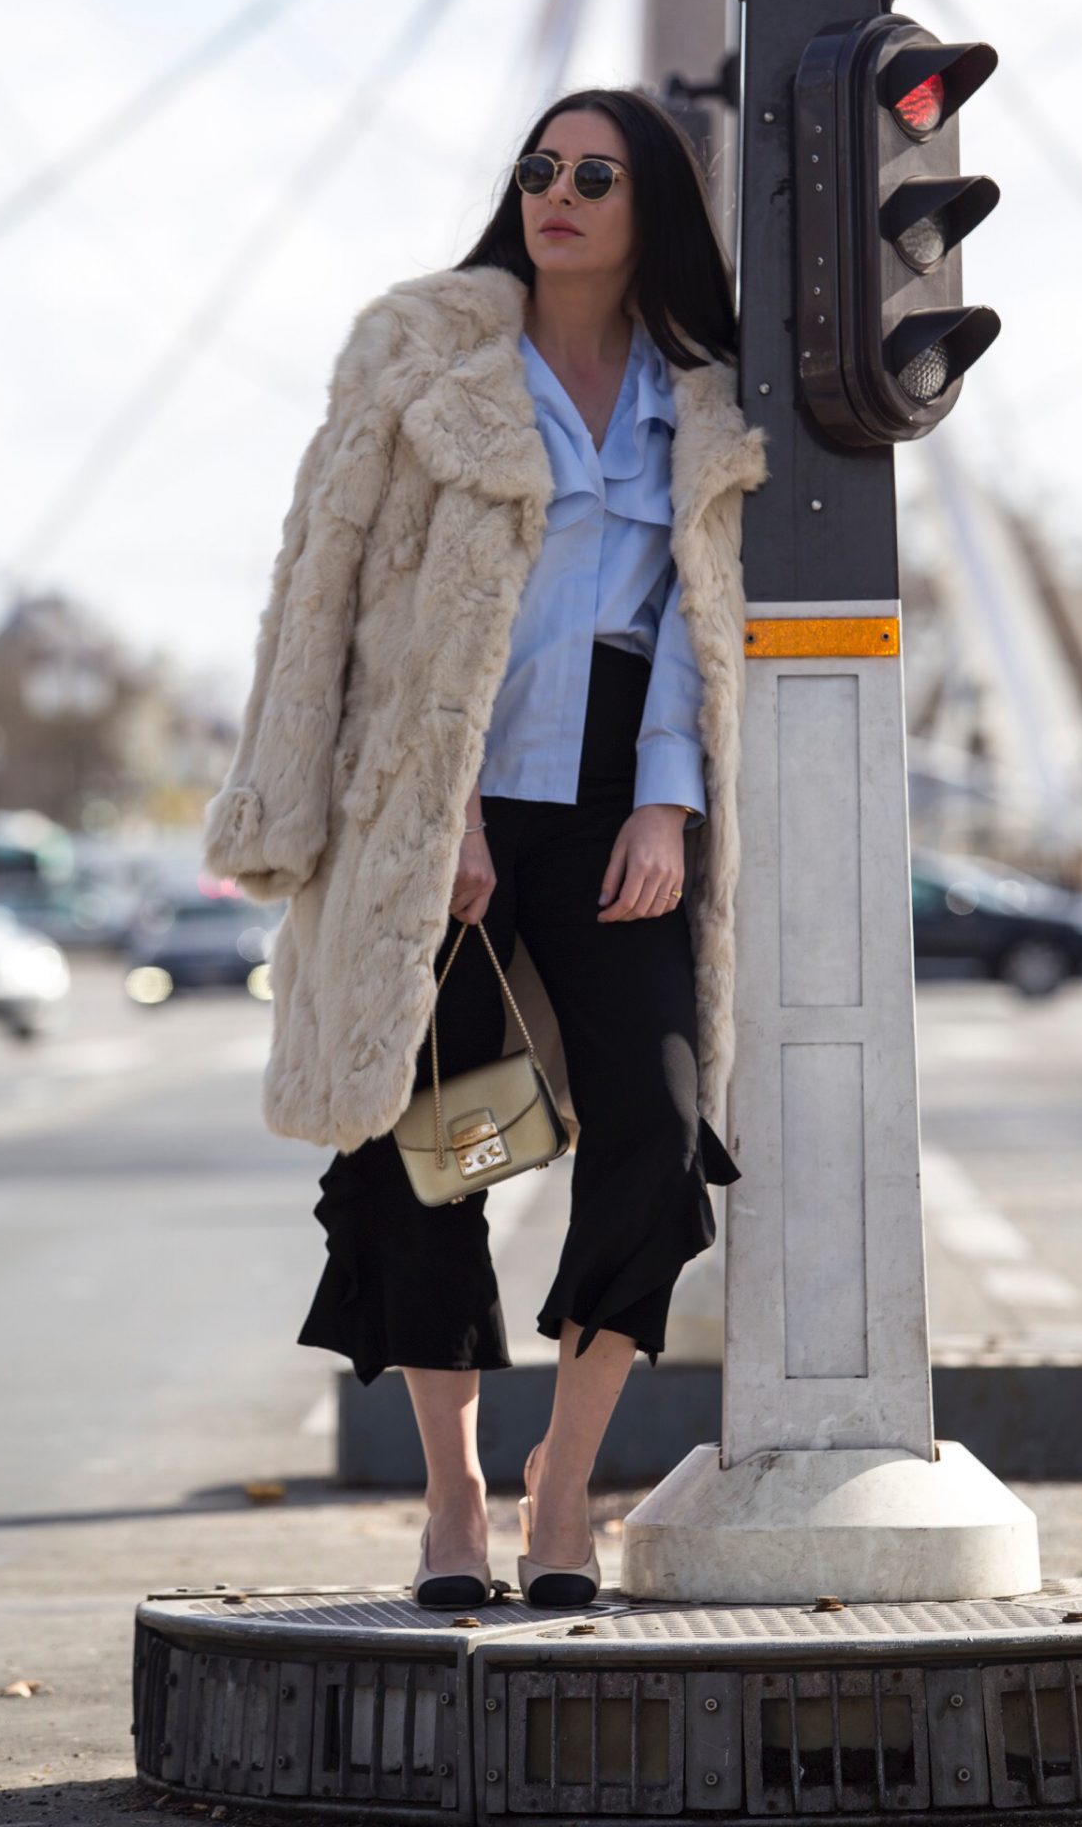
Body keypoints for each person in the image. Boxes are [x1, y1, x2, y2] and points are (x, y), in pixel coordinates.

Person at [201, 86, 768, 1611]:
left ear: (651, 203)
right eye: (537, 169)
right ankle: (454, 1496)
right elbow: (335, 596)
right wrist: (428, 813)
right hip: (432, 798)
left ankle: (562, 1481)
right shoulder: (421, 361)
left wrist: (667, 802)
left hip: (614, 799)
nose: (557, 193)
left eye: (593, 173)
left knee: (655, 1124)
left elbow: (689, 632)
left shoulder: (703, 397)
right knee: (434, 1146)